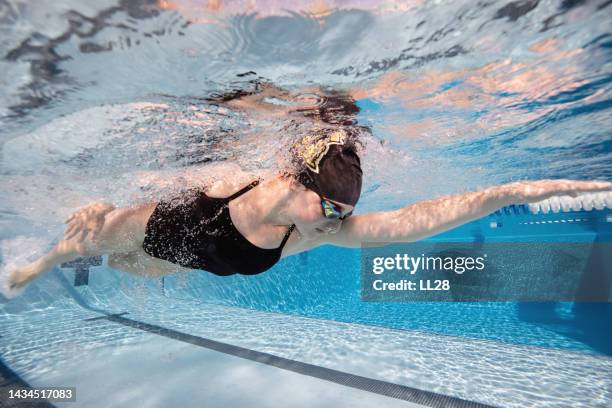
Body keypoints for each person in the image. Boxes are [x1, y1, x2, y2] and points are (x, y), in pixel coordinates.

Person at [4, 85, 612, 293]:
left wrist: (513, 192)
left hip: (191, 263)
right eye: (328, 206)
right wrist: (99, 207)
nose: (333, 222)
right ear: (290, 179)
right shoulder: (230, 179)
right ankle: (36, 269)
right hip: (160, 228)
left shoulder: (316, 226)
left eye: (343, 212)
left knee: (129, 271)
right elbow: (153, 179)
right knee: (88, 242)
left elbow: (419, 218)